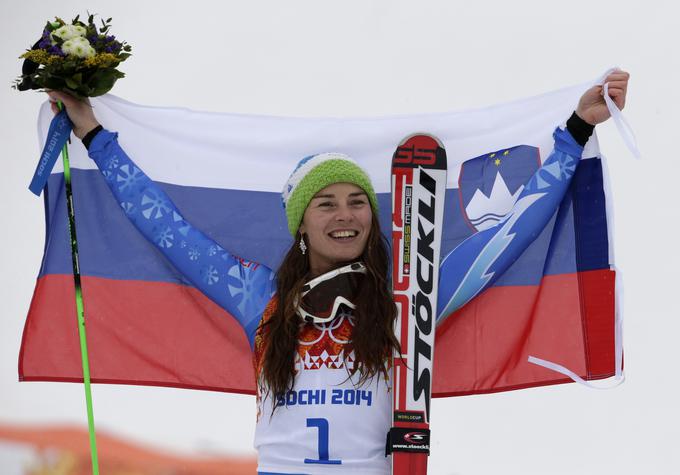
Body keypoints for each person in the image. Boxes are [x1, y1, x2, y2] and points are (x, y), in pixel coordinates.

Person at [46, 70, 629, 475]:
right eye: (325, 204)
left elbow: (508, 235)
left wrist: (574, 131)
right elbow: (165, 227)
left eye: (357, 202)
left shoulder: (411, 295)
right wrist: (94, 135)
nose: (346, 214)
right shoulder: (260, 297)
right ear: (301, 224)